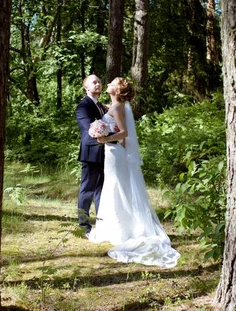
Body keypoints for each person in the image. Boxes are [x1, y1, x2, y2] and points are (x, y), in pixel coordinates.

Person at [88, 77, 180, 268]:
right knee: (113, 186)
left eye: (112, 84)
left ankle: (123, 229)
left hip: (115, 152)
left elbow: (124, 133)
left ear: (117, 91)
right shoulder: (113, 107)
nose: (108, 85)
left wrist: (105, 138)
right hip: (111, 152)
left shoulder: (118, 108)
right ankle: (112, 227)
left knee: (116, 186)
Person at [75, 74, 107, 235]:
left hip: (105, 153)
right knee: (87, 189)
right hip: (91, 152)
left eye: (99, 82)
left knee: (101, 189)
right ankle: (83, 226)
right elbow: (89, 130)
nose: (98, 84)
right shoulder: (83, 106)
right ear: (86, 87)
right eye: (94, 82)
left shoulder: (101, 106)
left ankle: (101, 225)